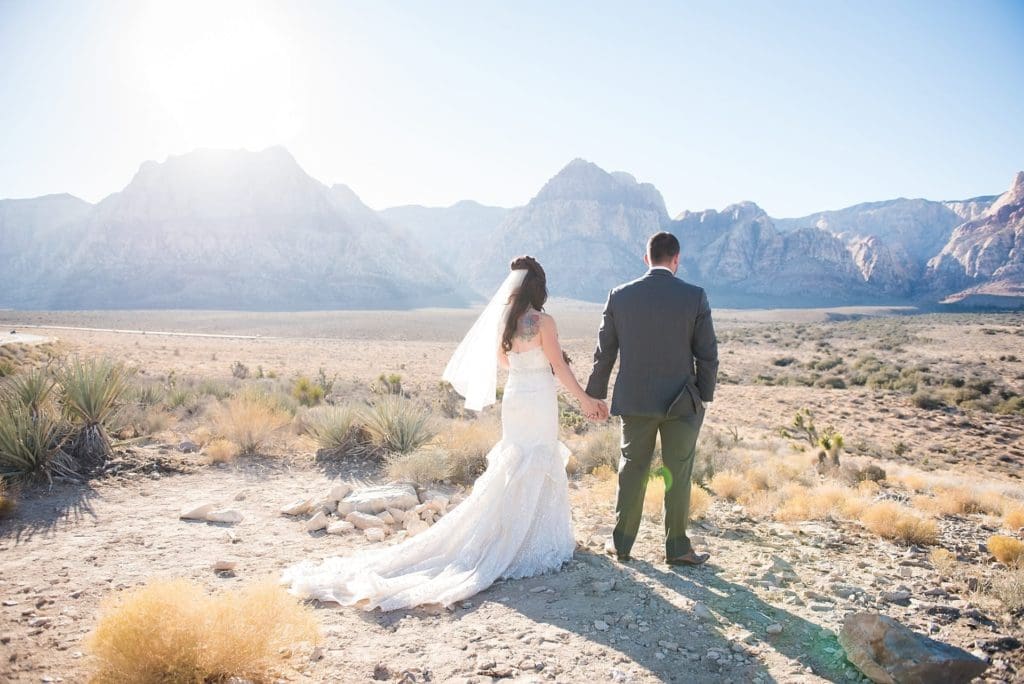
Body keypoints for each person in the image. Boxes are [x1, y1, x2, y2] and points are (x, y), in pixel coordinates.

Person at [282, 255, 601, 610]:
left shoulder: (506, 322)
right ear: (539, 286)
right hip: (540, 398)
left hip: (515, 395)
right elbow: (558, 367)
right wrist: (586, 400)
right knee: (538, 458)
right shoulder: (543, 322)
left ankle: (509, 534)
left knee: (516, 460)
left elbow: (504, 361)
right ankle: (535, 540)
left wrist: (527, 368)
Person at [585, 232, 719, 566]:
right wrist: (703, 397)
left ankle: (622, 545)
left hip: (635, 401)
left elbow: (605, 353)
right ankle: (677, 548)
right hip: (682, 403)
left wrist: (595, 395)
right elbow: (708, 355)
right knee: (680, 473)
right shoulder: (695, 296)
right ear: (677, 259)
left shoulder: (620, 296)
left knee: (632, 470)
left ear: (646, 259)